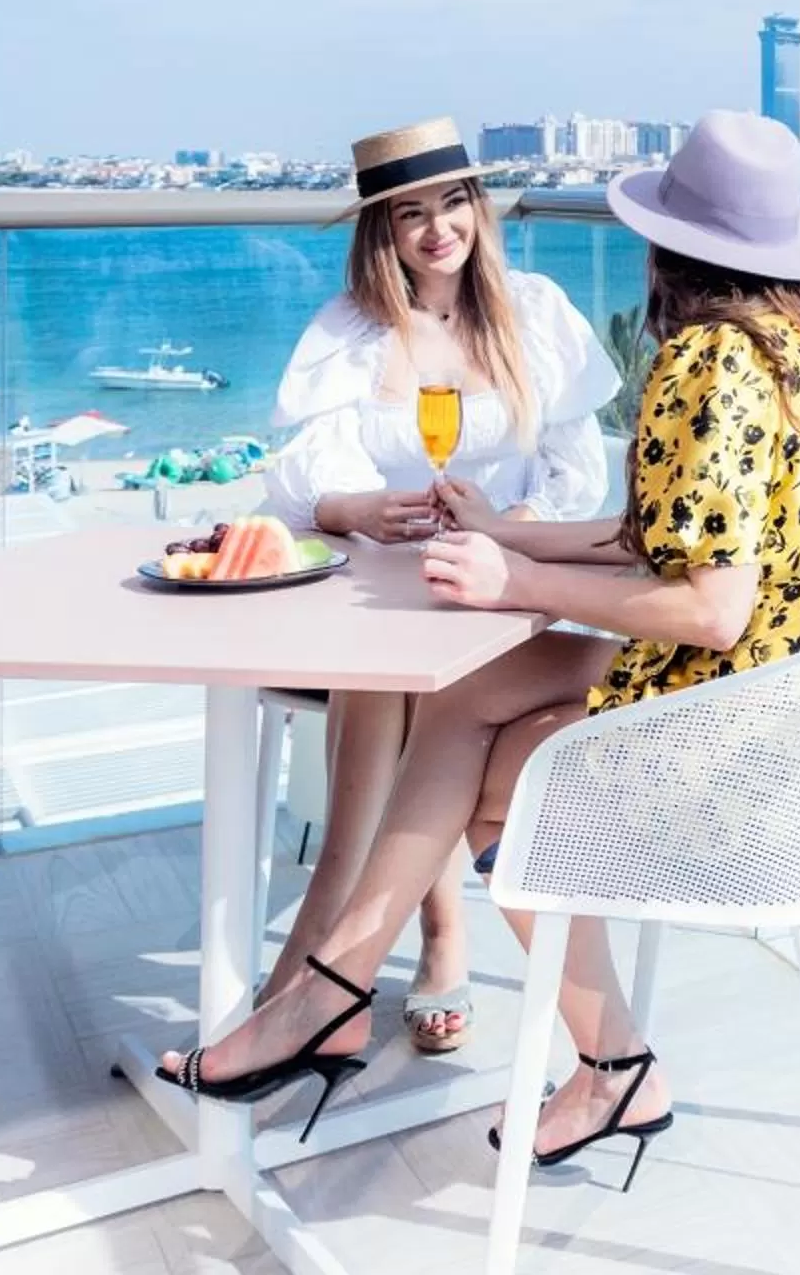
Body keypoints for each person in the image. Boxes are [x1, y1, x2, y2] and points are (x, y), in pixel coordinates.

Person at [161, 110, 800, 1183]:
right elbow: (665, 530)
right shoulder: (798, 346)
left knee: (506, 781)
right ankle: (354, 991)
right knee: (468, 707)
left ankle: (430, 1018)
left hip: (747, 729)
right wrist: (506, 531)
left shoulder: (707, 365)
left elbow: (712, 607)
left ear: (669, 245)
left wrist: (520, 579)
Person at [256, 116, 617, 1054]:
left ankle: (325, 961)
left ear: (479, 210)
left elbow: (578, 476)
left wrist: (515, 538)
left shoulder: (533, 313)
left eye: (452, 203)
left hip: (514, 588)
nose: (436, 229)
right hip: (385, 588)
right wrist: (358, 513)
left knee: (418, 686)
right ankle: (423, 934)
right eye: (409, 213)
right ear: (382, 232)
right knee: (396, 673)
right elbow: (299, 483)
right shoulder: (351, 332)